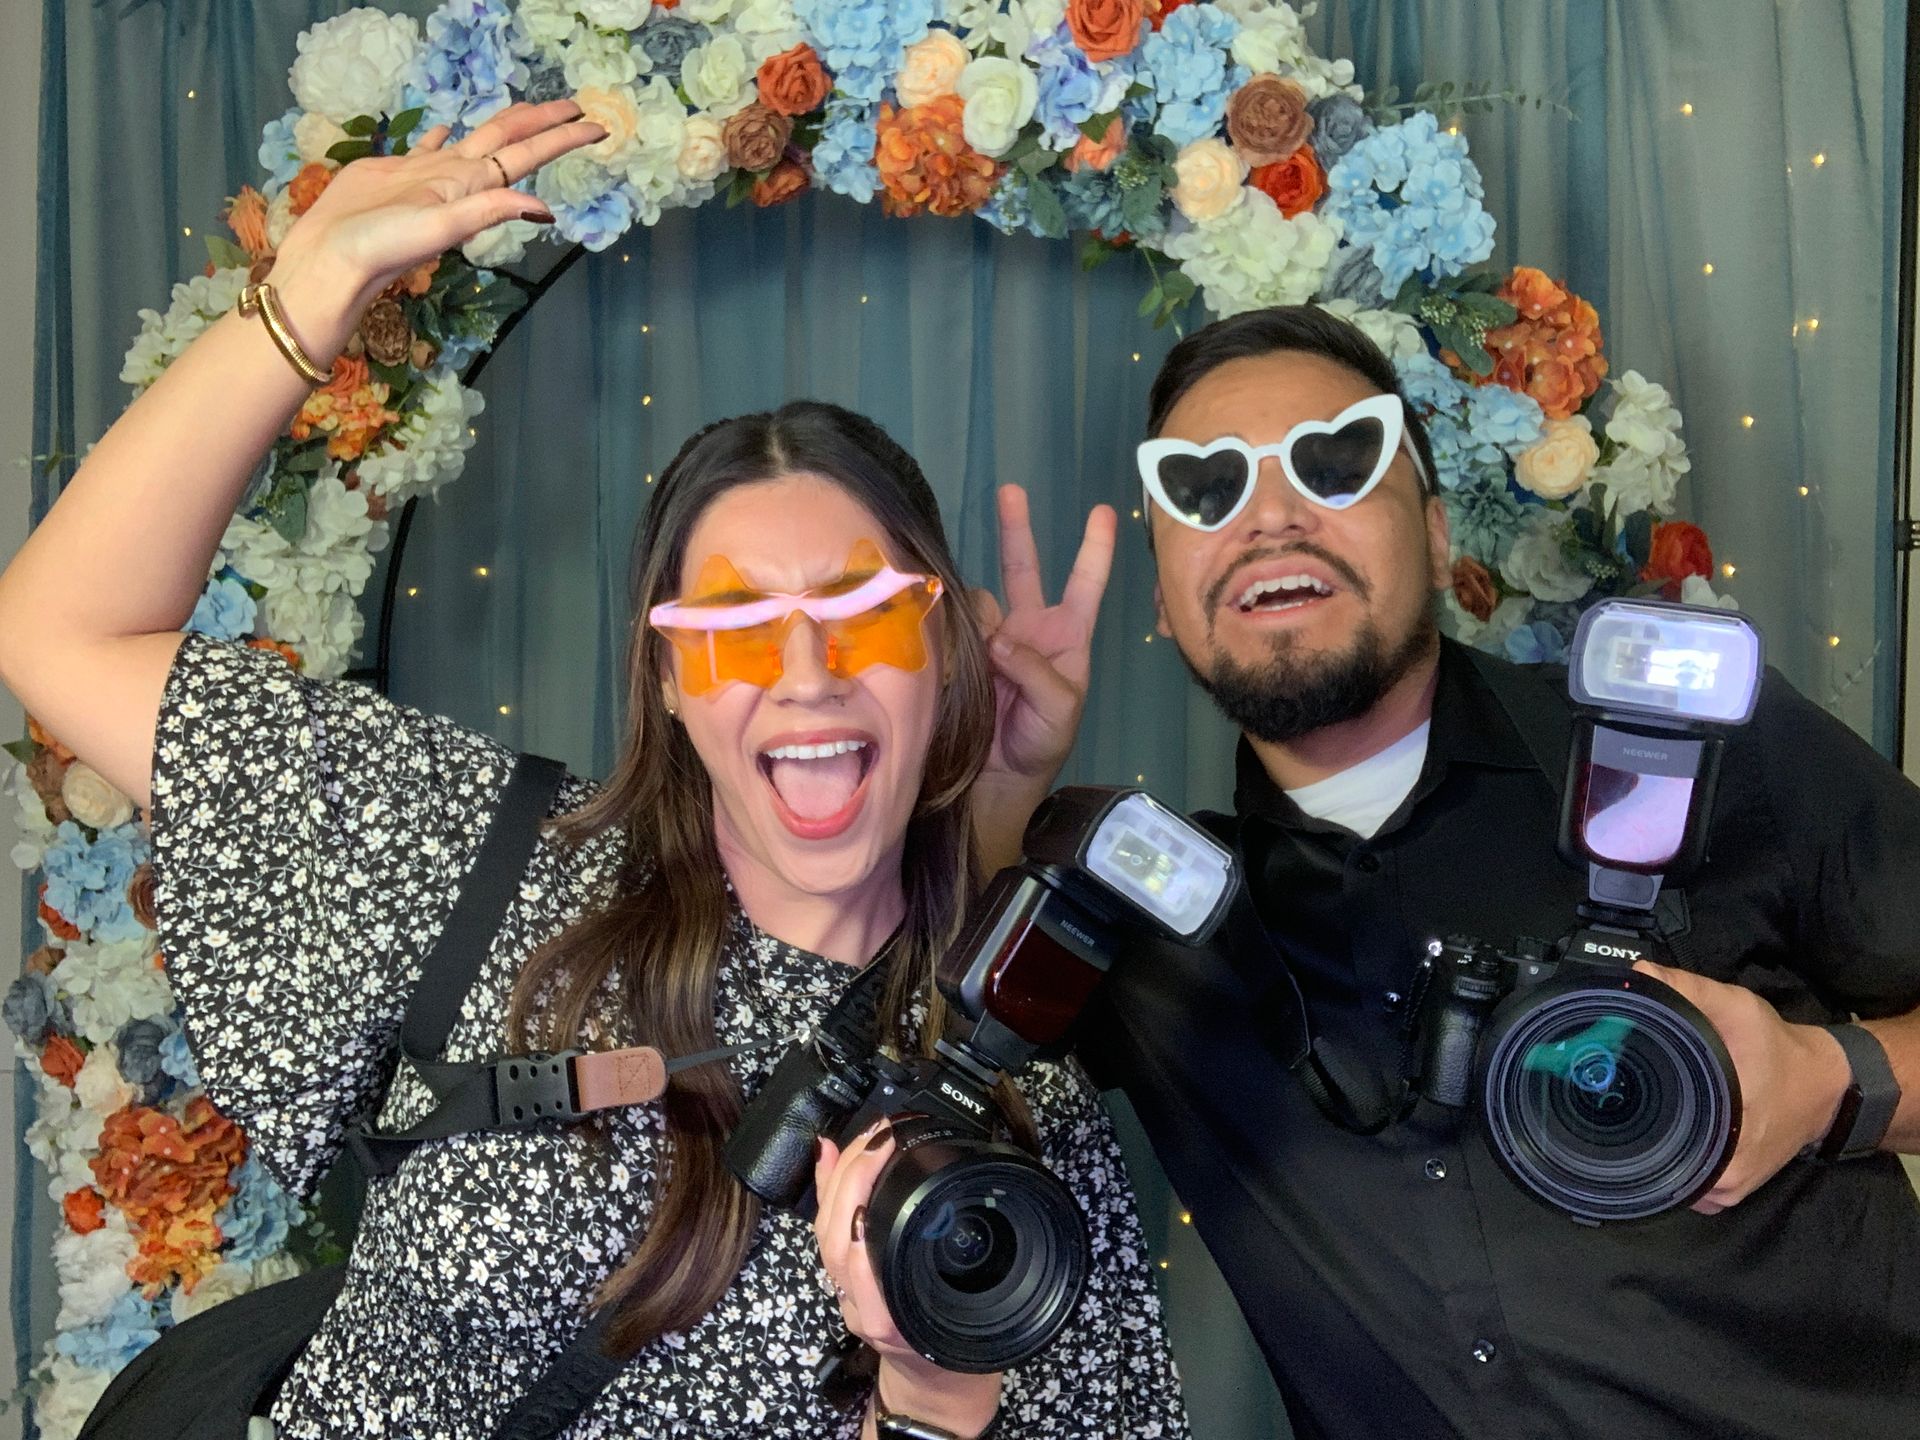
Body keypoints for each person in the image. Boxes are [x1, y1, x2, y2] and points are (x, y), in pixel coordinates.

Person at [0, 100, 1189, 1440]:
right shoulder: (478, 854)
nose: (803, 673)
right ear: (670, 683)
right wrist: (315, 288)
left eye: (860, 613)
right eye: (734, 627)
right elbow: (62, 631)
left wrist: (927, 1393)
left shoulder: (1023, 1129)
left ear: (945, 650)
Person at [996, 305, 1920, 1439]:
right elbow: (898, 1009)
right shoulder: (1146, 921)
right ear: (1165, 594)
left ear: (1437, 536)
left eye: (1336, 463)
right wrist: (1008, 771)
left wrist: (1831, 1081)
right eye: (1206, 490)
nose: (1273, 515)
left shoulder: (1700, 746)